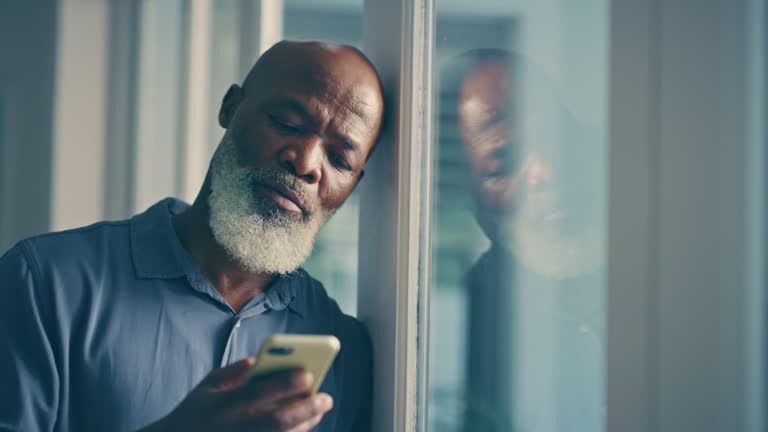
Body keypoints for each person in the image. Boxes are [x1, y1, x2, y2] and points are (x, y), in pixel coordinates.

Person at [0, 40, 385, 432]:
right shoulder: (43, 283)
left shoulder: (346, 352)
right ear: (230, 108)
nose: (305, 163)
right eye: (287, 123)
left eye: (339, 160)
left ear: (354, 184)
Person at [448, 49, 605, 431]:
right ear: (476, 204)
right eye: (503, 163)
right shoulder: (476, 315)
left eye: (557, 139)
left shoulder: (670, 248)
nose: (546, 171)